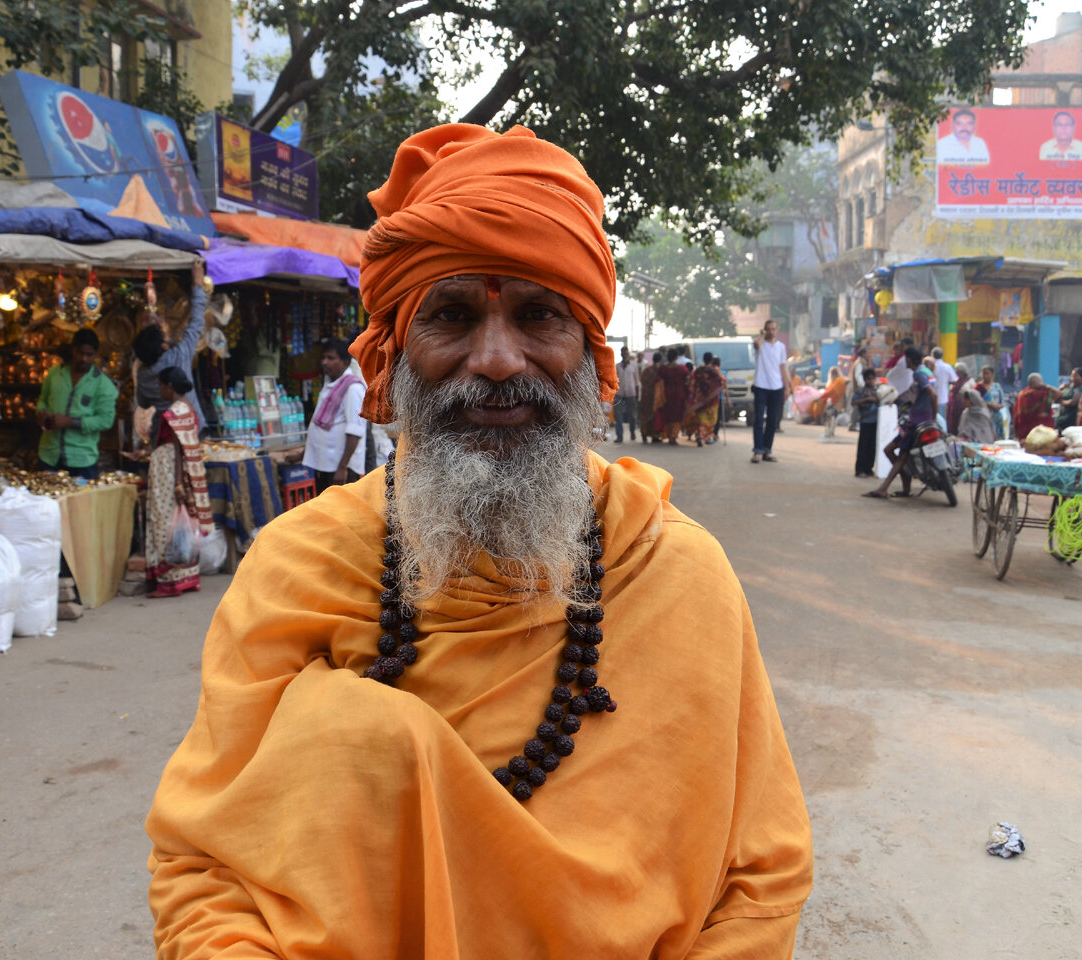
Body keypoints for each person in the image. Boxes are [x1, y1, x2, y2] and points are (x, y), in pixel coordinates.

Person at [146, 123, 812, 959]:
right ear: (394, 355)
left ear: (589, 356)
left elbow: (762, 875)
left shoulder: (677, 572)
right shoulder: (298, 567)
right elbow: (206, 865)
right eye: (452, 315)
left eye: (540, 316)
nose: (497, 360)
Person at [143, 366, 213, 599]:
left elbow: (177, 450)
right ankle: (188, 577)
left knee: (164, 521)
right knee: (180, 522)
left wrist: (177, 483)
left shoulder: (174, 413)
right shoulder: (188, 408)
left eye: (161, 385)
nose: (159, 390)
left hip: (168, 472)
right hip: (175, 469)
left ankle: (169, 582)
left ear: (169, 386)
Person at [133, 260, 210, 440]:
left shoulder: (143, 374)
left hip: (161, 438)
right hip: (190, 434)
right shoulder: (179, 356)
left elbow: (143, 403)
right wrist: (198, 284)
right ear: (164, 346)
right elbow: (196, 321)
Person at [35, 327, 118, 480]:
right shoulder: (54, 374)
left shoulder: (104, 385)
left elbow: (106, 421)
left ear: (96, 355)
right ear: (73, 350)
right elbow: (42, 400)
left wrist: (70, 422)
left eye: (89, 354)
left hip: (81, 459)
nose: (84, 359)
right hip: (49, 455)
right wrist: (41, 412)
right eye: (80, 353)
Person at [863, 346, 937, 500]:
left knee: (894, 451)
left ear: (909, 359)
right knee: (901, 453)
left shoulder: (918, 373)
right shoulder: (928, 372)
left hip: (916, 420)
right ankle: (905, 487)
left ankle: (884, 488)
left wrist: (934, 416)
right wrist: (934, 416)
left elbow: (932, 394)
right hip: (926, 418)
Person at [302, 338, 367, 492]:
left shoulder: (353, 388)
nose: (325, 362)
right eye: (323, 358)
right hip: (325, 464)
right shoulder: (330, 384)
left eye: (331, 358)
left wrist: (342, 467)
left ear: (345, 362)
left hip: (340, 468)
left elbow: (355, 431)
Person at [751, 319, 790, 462]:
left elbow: (783, 367)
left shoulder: (781, 347)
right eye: (768, 329)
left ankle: (767, 450)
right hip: (761, 386)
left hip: (777, 387)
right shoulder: (760, 344)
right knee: (759, 420)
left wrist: (787, 387)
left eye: (773, 329)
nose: (771, 331)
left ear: (777, 330)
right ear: (765, 330)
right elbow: (756, 344)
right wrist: (762, 335)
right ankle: (757, 451)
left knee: (773, 421)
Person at [682, 351, 722, 447]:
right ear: (711, 360)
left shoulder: (698, 370)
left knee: (700, 419)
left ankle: (700, 436)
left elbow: (692, 383)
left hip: (700, 399)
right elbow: (721, 381)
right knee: (711, 419)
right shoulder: (714, 371)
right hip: (712, 399)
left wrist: (692, 396)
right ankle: (707, 436)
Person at [1013, 372, 1060, 440]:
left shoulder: (1022, 393)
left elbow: (1016, 412)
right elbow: (1059, 394)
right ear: (1036, 382)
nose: (1042, 383)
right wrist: (1047, 386)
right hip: (1041, 429)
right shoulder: (1041, 393)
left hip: (1024, 429)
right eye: (1041, 381)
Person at [852, 367, 880, 477]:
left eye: (873, 379)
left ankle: (869, 468)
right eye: (868, 379)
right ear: (864, 379)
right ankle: (860, 470)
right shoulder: (860, 391)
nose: (871, 381)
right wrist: (867, 399)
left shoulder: (878, 390)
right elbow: (854, 402)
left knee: (872, 447)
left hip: (876, 422)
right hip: (865, 421)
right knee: (863, 447)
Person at [810, 367, 847, 439]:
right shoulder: (838, 380)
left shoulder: (838, 380)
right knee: (833, 416)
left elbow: (830, 391)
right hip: (837, 401)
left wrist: (820, 397)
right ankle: (831, 431)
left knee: (831, 416)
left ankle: (830, 431)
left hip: (835, 401)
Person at [612, 345, 640, 443]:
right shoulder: (617, 366)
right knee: (618, 415)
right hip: (619, 393)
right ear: (621, 354)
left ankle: (632, 431)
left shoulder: (633, 366)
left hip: (631, 393)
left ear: (628, 354)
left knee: (631, 415)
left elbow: (636, 381)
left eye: (626, 352)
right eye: (623, 353)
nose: (624, 354)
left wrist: (637, 395)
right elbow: (614, 380)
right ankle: (619, 435)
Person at [638, 350, 664, 443]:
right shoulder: (661, 370)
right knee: (655, 416)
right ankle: (654, 436)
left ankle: (644, 434)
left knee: (645, 415)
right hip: (656, 397)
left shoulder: (647, 369)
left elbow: (642, 380)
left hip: (646, 397)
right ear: (660, 359)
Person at [978, 365, 1006, 439]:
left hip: (996, 416)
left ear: (992, 375)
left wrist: (998, 406)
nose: (985, 376)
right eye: (983, 374)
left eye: (987, 373)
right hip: (983, 416)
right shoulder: (979, 387)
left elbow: (1002, 401)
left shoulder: (997, 386)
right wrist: (989, 405)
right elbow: (976, 401)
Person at [945, 362, 973, 435]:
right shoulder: (956, 380)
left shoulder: (970, 381)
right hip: (953, 407)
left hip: (962, 407)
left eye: (958, 371)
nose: (956, 372)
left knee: (960, 423)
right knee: (952, 424)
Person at [929, 347, 958, 411]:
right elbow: (954, 380)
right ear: (942, 356)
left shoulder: (928, 366)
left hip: (929, 399)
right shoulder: (947, 367)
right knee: (941, 419)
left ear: (932, 355)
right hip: (943, 398)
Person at [1055, 367, 1082, 431]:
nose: (1072, 378)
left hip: (1073, 419)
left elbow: (1073, 402)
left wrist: (1060, 401)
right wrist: (1060, 388)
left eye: (1075, 376)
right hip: (1061, 417)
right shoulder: (1067, 387)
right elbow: (1054, 398)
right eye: (1072, 375)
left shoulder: (1080, 389)